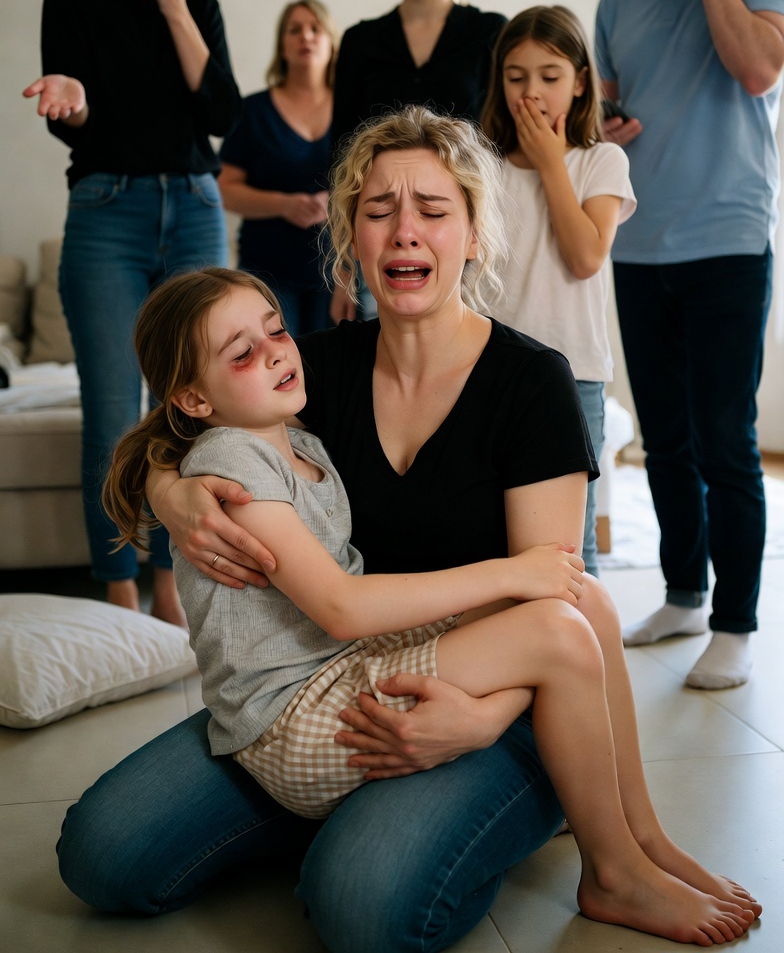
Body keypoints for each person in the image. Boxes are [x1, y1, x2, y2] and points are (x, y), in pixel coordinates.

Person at [58, 108, 760, 951]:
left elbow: (557, 596)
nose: (405, 231)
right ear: (351, 230)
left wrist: (484, 717)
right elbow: (187, 423)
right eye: (379, 207)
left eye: (432, 208)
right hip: (333, 681)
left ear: (472, 230)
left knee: (361, 905)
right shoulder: (309, 371)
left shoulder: (531, 382)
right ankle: (342, 801)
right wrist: (176, 495)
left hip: (503, 693)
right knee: (101, 855)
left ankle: (623, 841)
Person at [21, 0, 240, 623]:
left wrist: (175, 4)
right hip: (106, 213)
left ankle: (172, 584)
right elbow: (76, 116)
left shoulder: (198, 3)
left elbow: (220, 116)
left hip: (193, 209)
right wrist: (68, 98)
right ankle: (117, 588)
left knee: (192, 409)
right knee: (114, 412)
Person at [595, 0, 784, 688]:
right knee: (664, 442)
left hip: (726, 246)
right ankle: (682, 592)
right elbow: (598, 110)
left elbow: (757, 69)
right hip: (639, 248)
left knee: (724, 440)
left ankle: (738, 623)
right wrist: (599, 127)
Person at [481, 5, 636, 577]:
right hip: (493, 365)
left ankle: (586, 660)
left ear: (578, 81)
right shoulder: (485, 166)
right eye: (516, 76)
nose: (532, 92)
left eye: (549, 76)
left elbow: (585, 257)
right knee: (497, 527)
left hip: (576, 371)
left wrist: (552, 164)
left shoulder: (602, 161)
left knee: (572, 542)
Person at [330, 0, 506, 321]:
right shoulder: (360, 41)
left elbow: (506, 141)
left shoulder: (490, 33)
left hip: (463, 234)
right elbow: (341, 154)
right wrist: (345, 264)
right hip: (385, 232)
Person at [218, 0, 339, 336]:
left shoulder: (353, 109)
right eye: (295, 29)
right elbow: (224, 189)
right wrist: (284, 205)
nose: (306, 37)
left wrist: (337, 201)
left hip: (339, 270)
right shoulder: (252, 111)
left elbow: (377, 181)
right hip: (268, 269)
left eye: (316, 29)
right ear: (281, 46)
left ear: (332, 43)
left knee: (333, 374)